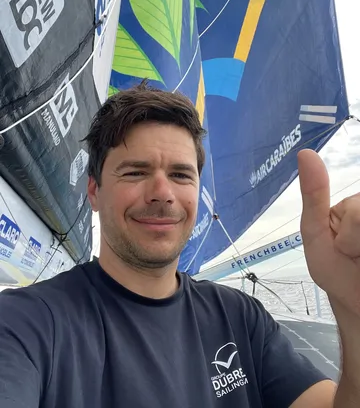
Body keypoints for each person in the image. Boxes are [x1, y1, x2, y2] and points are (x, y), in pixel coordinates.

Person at [0, 81, 359, 408]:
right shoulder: (25, 323)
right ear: (94, 191)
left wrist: (349, 304)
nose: (162, 193)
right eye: (136, 172)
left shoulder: (240, 317)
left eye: (180, 174)